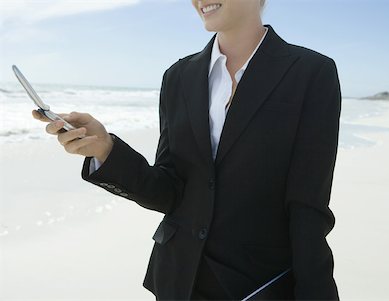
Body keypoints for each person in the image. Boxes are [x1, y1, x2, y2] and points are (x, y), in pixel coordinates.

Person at [33, 0, 341, 299]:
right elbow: (169, 190)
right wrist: (106, 149)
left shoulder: (312, 73)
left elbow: (308, 208)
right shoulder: (178, 77)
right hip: (177, 279)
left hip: (258, 284)